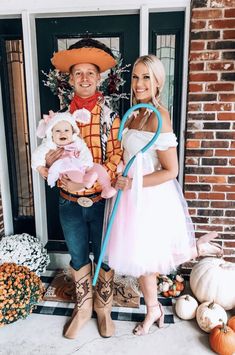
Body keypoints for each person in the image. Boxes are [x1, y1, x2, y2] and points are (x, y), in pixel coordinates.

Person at [104, 54, 223, 336]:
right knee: (144, 263)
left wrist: (133, 183)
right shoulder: (133, 114)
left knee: (148, 260)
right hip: (129, 198)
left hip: (150, 197)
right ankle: (154, 307)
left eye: (146, 77)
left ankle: (195, 251)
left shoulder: (162, 118)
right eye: (135, 76)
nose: (139, 83)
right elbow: (127, 154)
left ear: (158, 82)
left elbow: (171, 171)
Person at [46, 38, 122, 339]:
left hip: (101, 201)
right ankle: (84, 307)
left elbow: (118, 155)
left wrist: (93, 178)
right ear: (70, 78)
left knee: (104, 255)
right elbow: (47, 154)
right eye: (78, 73)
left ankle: (104, 307)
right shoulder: (59, 119)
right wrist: (50, 161)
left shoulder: (110, 117)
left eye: (91, 73)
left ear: (99, 77)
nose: (85, 78)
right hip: (69, 202)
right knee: (77, 256)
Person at [31, 110, 117, 199]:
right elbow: (37, 155)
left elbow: (85, 151)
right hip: (68, 168)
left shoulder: (77, 141)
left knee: (98, 168)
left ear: (72, 132)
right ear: (51, 134)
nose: (62, 133)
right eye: (57, 131)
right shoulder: (49, 144)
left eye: (66, 130)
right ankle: (86, 181)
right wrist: (41, 168)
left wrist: (87, 164)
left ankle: (107, 187)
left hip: (82, 166)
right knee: (75, 174)